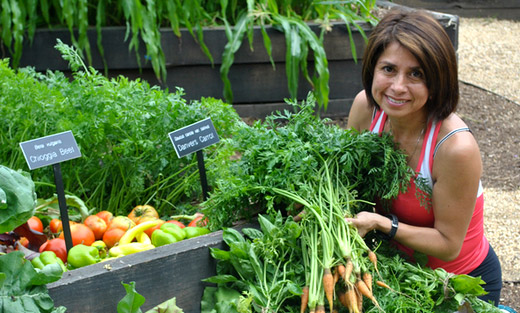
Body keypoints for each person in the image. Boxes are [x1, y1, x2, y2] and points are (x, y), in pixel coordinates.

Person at [345, 9, 502, 306]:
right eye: (388, 69)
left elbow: (448, 245)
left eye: (416, 74)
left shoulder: (455, 148)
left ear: (437, 80)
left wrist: (382, 223)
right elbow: (348, 183)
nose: (398, 86)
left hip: (456, 285)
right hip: (392, 275)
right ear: (372, 70)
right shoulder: (366, 110)